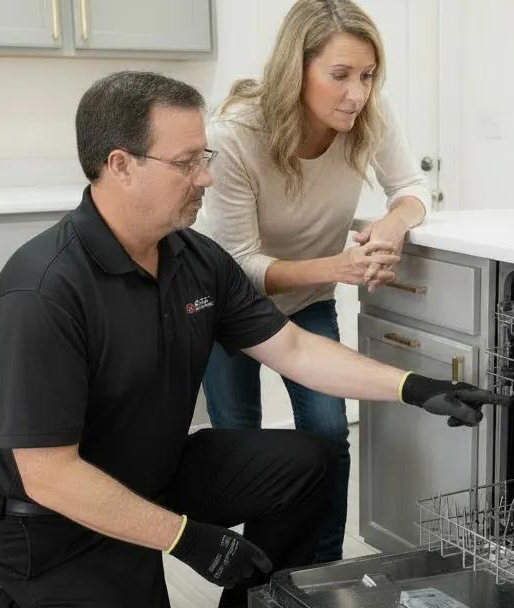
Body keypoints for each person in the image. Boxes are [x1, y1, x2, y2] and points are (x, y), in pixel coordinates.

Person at [0, 70, 505, 608]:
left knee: (310, 457)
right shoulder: (42, 293)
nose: (205, 178)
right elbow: (51, 476)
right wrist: (186, 538)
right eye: (188, 162)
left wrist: (413, 387)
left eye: (203, 158)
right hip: (56, 529)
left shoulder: (193, 260)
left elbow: (294, 348)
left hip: (152, 474)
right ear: (120, 166)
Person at [196, 0, 429, 563]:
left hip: (307, 301)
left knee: (328, 433)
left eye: (368, 75)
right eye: (340, 75)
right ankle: (252, 583)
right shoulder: (233, 137)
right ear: (295, 70)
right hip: (228, 310)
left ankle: (323, 573)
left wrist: (393, 223)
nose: (358, 93)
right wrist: (337, 267)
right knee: (241, 446)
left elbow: (413, 186)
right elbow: (239, 265)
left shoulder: (369, 115)